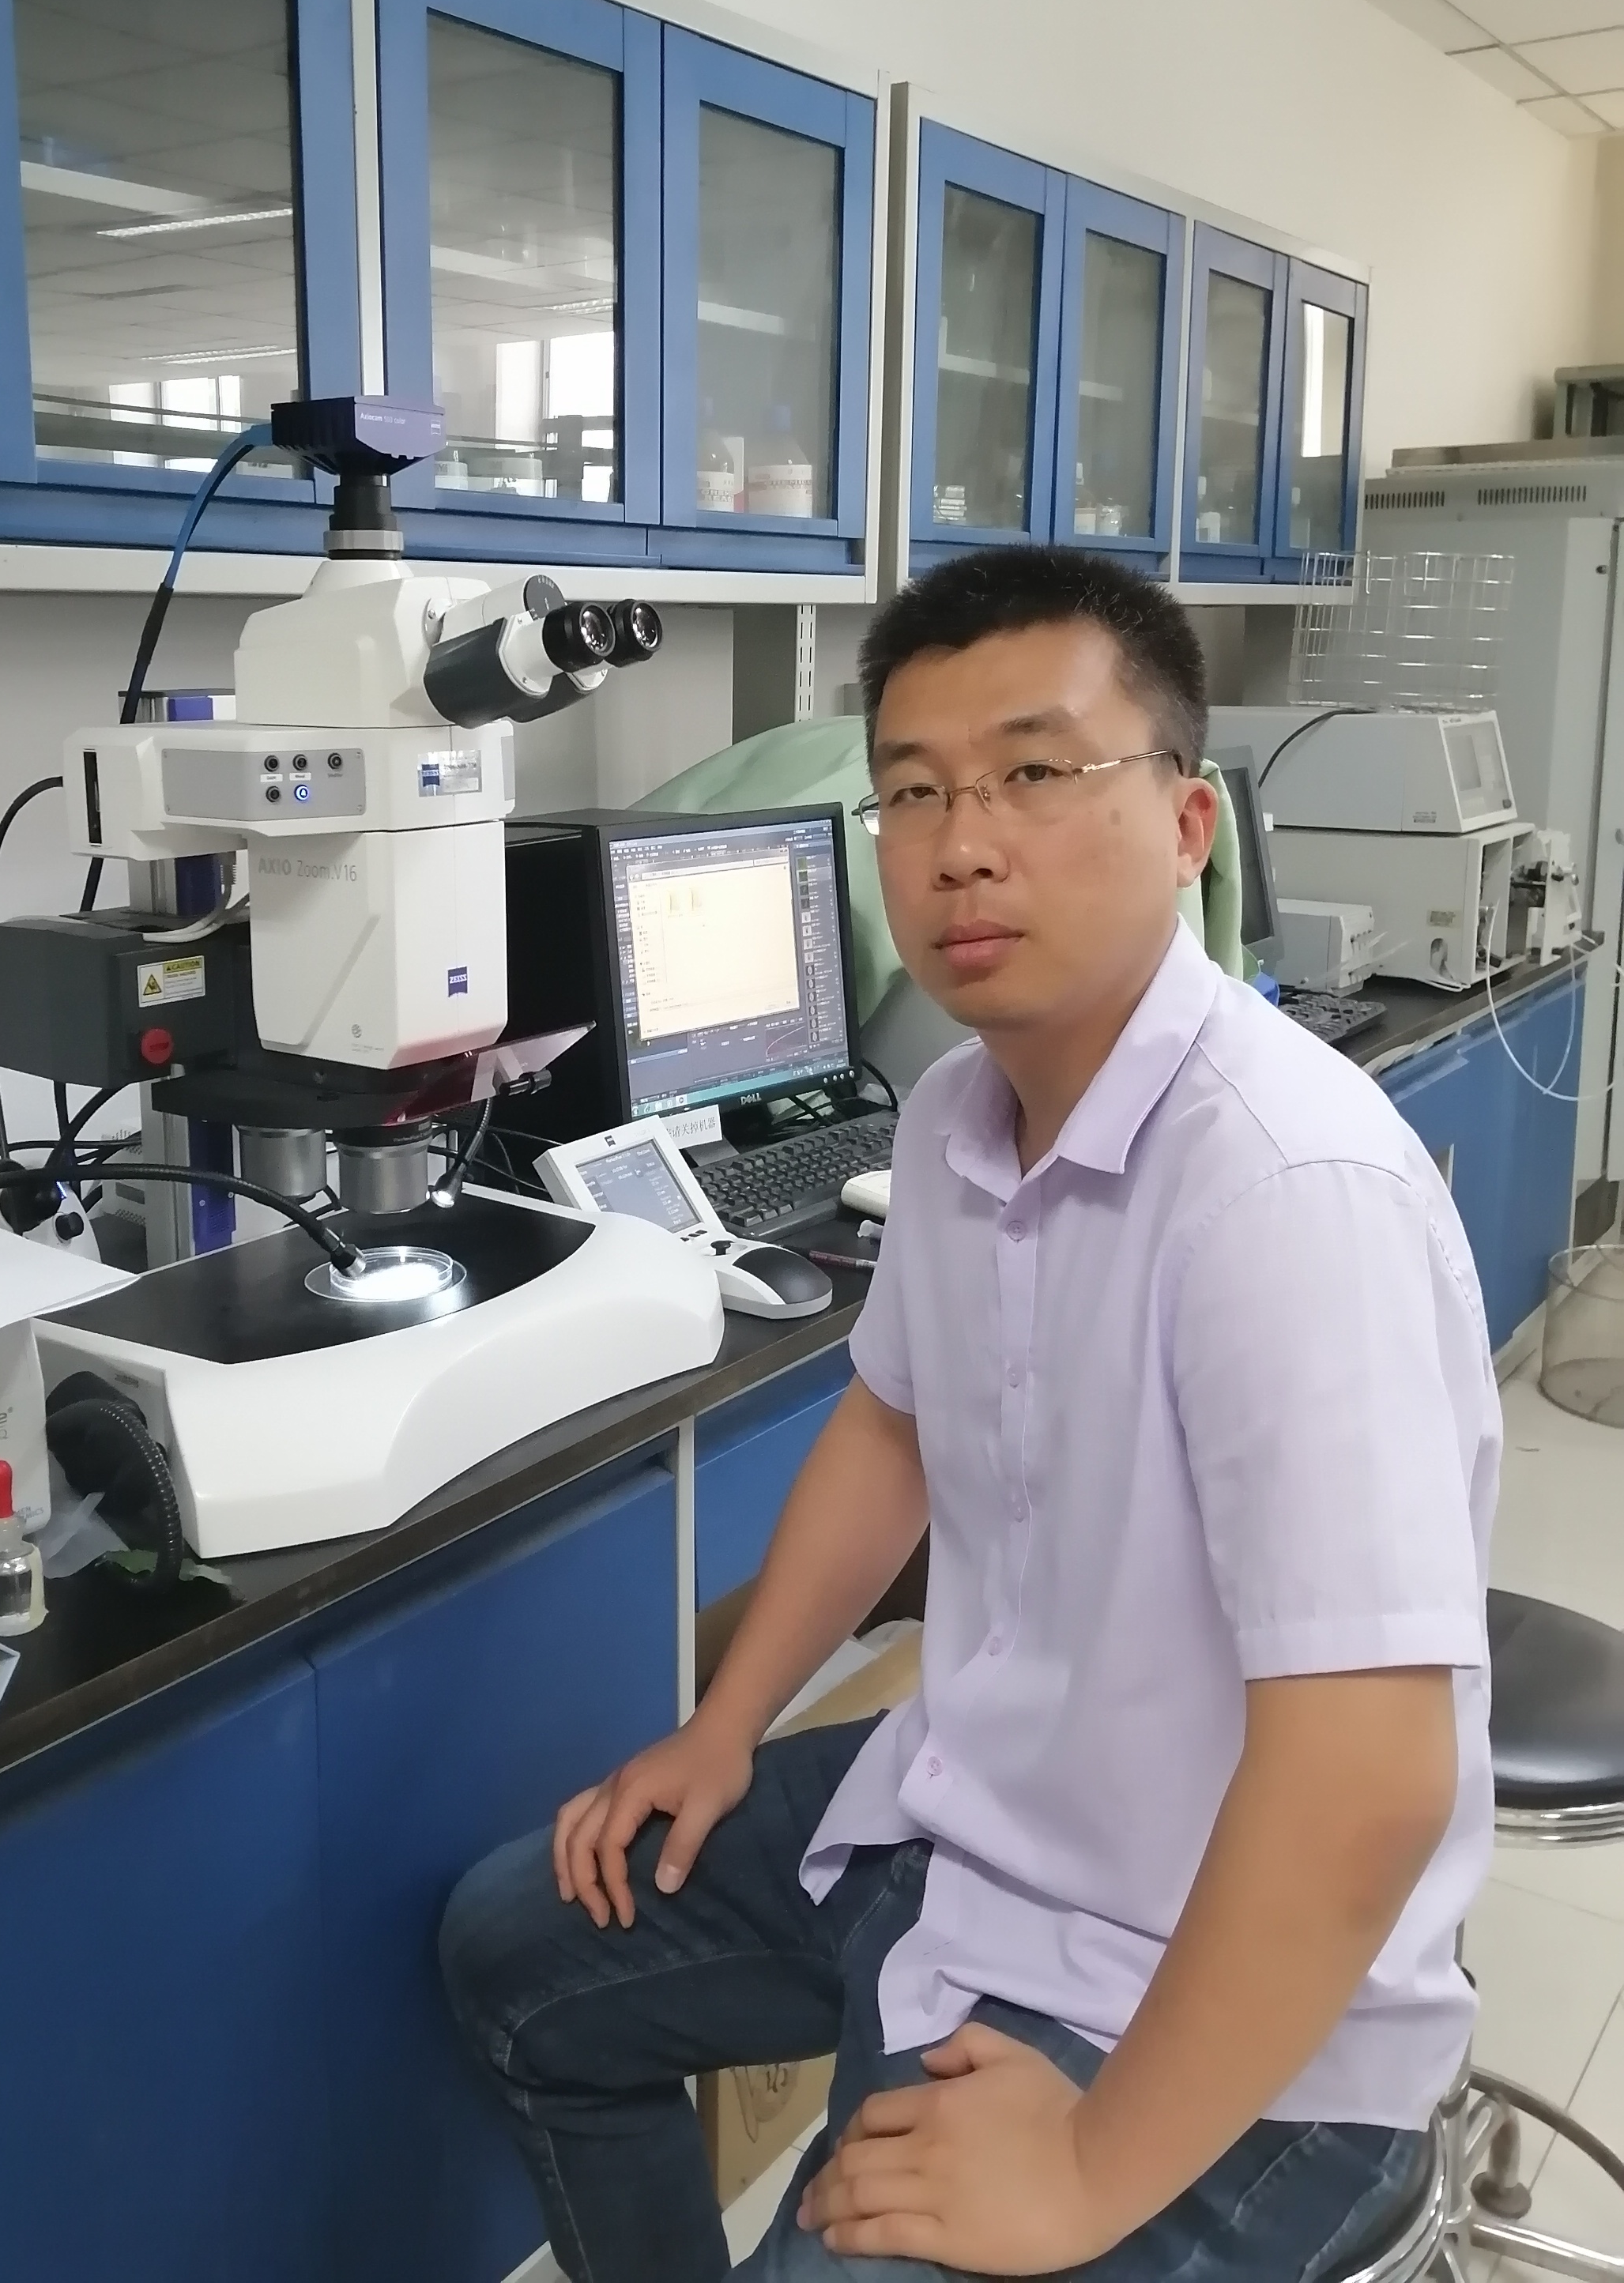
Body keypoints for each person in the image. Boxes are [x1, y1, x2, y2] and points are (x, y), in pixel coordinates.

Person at [442, 549, 1498, 2283]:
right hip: (980, 1823)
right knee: (516, 1949)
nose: (964, 844)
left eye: (1035, 772)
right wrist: (728, 1725)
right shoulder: (950, 1120)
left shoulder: (1286, 1194)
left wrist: (1083, 2171)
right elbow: (892, 1428)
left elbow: (1370, 1782)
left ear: (1188, 824)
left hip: (1226, 1984)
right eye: (914, 793)